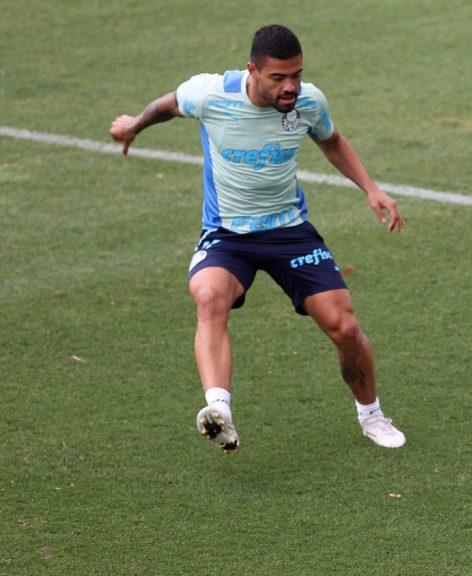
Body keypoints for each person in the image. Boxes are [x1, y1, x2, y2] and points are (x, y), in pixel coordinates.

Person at [110, 24, 407, 453]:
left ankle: (372, 415)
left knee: (343, 326)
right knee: (210, 296)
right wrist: (134, 126)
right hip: (228, 234)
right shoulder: (210, 94)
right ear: (252, 70)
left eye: (297, 75)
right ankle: (219, 412)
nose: (290, 87)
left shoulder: (307, 102)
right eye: (278, 78)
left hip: (289, 232)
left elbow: (333, 141)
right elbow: (166, 105)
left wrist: (371, 188)